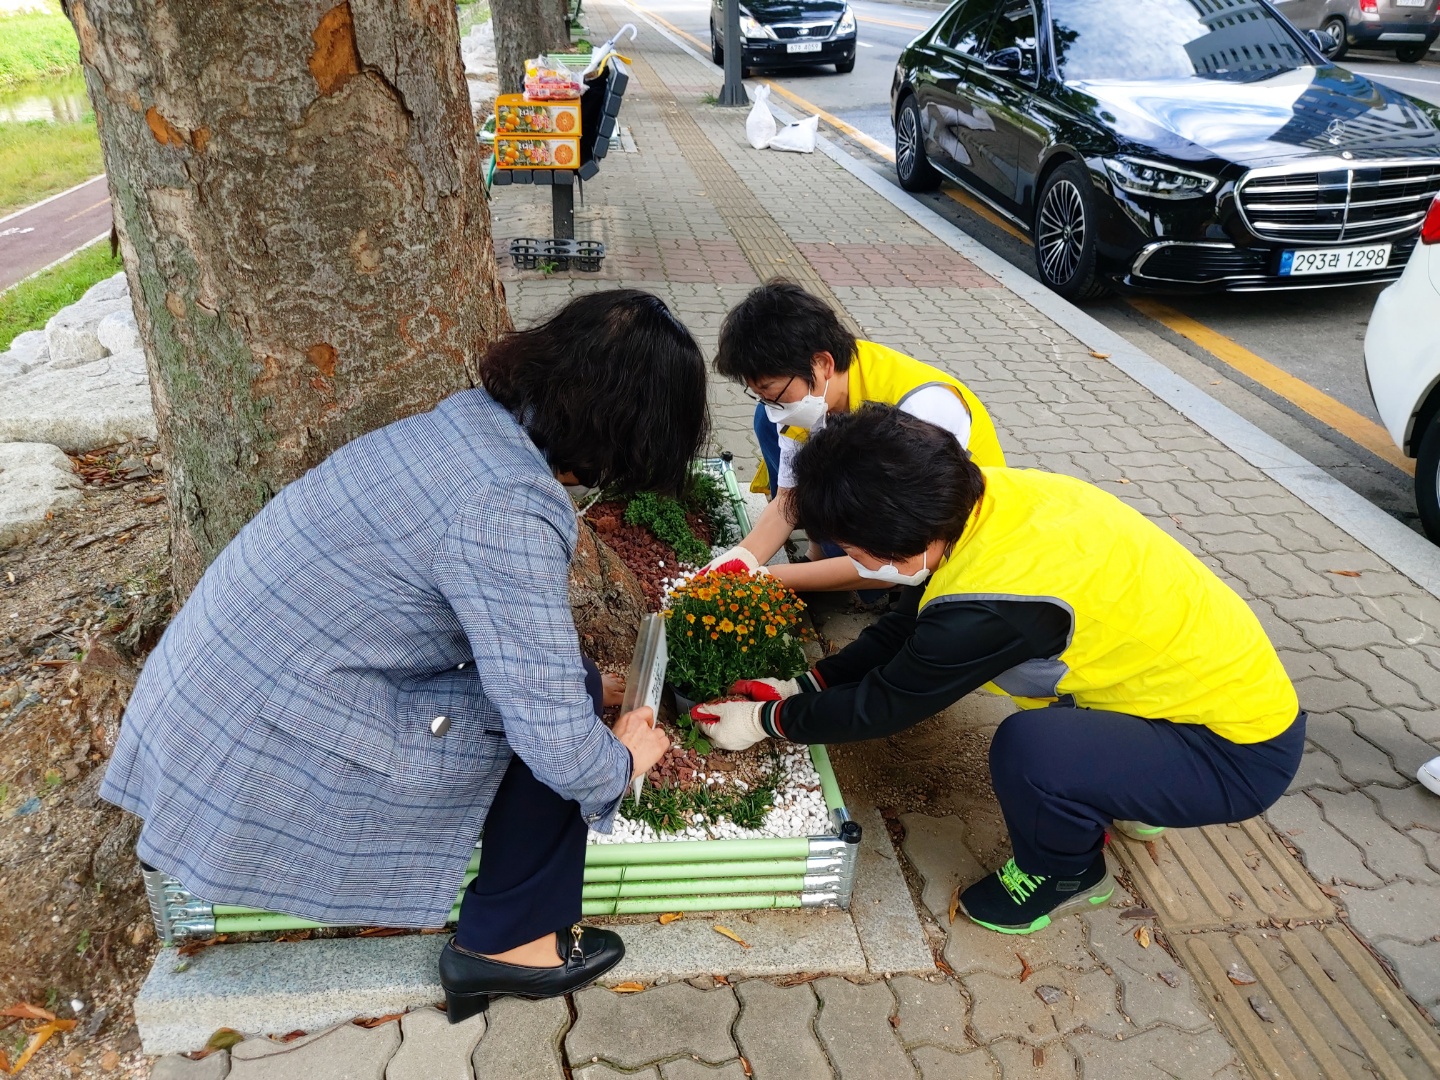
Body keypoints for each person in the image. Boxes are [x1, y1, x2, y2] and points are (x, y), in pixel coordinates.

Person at [100, 290, 703, 1018]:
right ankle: (505, 949)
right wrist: (621, 761)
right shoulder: (509, 507)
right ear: (630, 437)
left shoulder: (467, 425)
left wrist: (578, 684)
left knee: (565, 686)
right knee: (561, 727)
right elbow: (554, 742)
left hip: (213, 701)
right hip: (262, 750)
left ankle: (512, 923)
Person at [693, 406, 1305, 935]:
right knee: (1059, 741)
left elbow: (887, 704)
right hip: (1198, 696)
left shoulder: (992, 603)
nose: (854, 564)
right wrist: (812, 683)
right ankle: (1133, 790)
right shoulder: (981, 501)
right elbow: (909, 627)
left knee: (1032, 751)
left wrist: (766, 721)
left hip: (1236, 754)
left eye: (855, 553)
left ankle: (1067, 873)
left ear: (904, 535)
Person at [705, 280, 1006, 597]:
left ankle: (865, 583)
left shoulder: (920, 410)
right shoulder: (815, 391)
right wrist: (740, 560)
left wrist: (770, 577)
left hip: (949, 545)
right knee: (767, 421)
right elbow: (788, 502)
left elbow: (900, 561)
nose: (772, 405)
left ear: (822, 364)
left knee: (874, 566)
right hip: (891, 520)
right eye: (760, 394)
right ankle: (820, 556)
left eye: (772, 391)